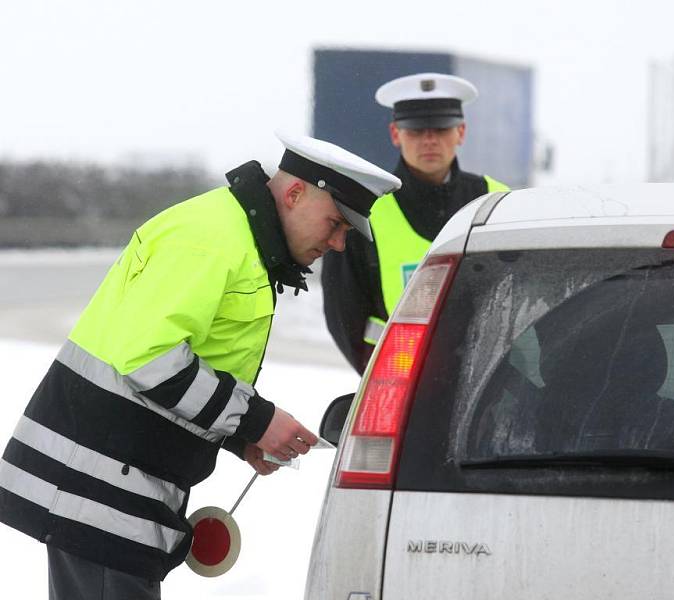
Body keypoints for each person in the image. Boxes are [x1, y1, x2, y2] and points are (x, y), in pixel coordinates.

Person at [0, 132, 401, 598]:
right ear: (294, 194)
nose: (336, 244)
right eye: (334, 223)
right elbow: (150, 357)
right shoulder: (212, 239)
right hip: (99, 497)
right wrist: (256, 419)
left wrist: (240, 434)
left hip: (117, 494)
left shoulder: (241, 243)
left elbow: (192, 363)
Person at [322, 72, 509, 373]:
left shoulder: (498, 201)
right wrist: (386, 384)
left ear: (461, 132)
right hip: (401, 383)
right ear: (396, 134)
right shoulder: (362, 211)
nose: (429, 140)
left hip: (489, 381)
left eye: (440, 128)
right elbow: (345, 317)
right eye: (416, 130)